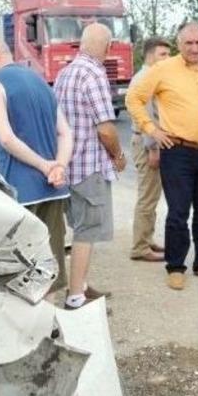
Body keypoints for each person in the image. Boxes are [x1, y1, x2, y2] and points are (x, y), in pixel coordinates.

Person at [126, 21, 198, 291]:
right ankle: (175, 266)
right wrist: (152, 129)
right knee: (178, 212)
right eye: (189, 43)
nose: (195, 48)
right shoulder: (163, 69)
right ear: (179, 44)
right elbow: (134, 99)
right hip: (177, 152)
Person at [0, 38, 73, 294]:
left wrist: (44, 165)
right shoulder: (40, 80)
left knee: (21, 272)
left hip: (20, 190)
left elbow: (6, 138)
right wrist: (59, 166)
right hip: (54, 188)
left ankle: (29, 319)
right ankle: (50, 316)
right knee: (49, 267)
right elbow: (65, 132)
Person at [54, 23, 125, 309]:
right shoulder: (94, 73)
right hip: (88, 166)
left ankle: (80, 284)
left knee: (80, 227)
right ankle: (75, 297)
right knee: (87, 231)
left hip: (68, 165)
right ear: (108, 47)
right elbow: (106, 129)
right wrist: (118, 156)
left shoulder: (65, 72)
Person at [129, 37, 171, 263]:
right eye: (163, 54)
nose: (168, 58)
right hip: (147, 143)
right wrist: (153, 149)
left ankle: (146, 239)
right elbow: (145, 118)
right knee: (147, 196)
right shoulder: (144, 78)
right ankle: (140, 247)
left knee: (151, 195)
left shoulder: (150, 76)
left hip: (148, 141)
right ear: (150, 55)